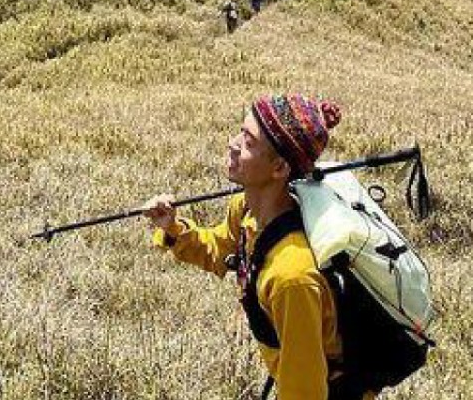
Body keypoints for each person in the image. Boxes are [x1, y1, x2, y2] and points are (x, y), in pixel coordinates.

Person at [145, 96, 355, 400]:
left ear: (279, 168)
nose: (232, 144)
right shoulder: (246, 210)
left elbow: (305, 392)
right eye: (240, 132)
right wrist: (172, 228)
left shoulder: (292, 278)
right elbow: (219, 250)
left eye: (247, 141)